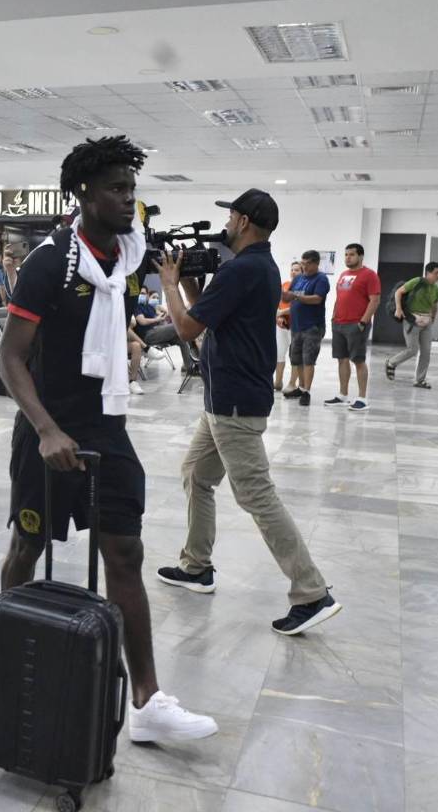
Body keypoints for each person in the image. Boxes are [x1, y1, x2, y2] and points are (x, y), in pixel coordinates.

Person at [0, 135, 218, 744]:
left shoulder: (126, 254)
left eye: (132, 189)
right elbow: (10, 359)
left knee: (125, 554)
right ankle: (5, 642)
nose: (129, 200)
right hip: (47, 428)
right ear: (83, 194)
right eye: (117, 190)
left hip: (107, 427)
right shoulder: (51, 262)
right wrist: (45, 429)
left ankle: (147, 702)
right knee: (28, 545)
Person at [156, 188, 341, 636]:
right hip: (225, 398)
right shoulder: (258, 266)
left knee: (256, 494)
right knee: (196, 475)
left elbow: (185, 326)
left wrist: (167, 284)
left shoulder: (242, 269)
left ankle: (311, 591)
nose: (228, 222)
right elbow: (208, 315)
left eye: (232, 215)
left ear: (242, 221)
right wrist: (189, 283)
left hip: (234, 403)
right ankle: (196, 566)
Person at [324, 243, 380, 412]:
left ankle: (362, 398)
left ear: (360, 256)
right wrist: (334, 317)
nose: (348, 257)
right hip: (339, 323)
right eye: (346, 254)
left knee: (358, 360)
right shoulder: (344, 274)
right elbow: (340, 298)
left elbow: (374, 300)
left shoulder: (369, 275)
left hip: (356, 324)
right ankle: (343, 395)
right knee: (342, 359)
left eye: (352, 254)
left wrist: (363, 322)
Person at [282, 250, 330, 407]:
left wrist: (295, 296)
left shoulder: (321, 279)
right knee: (296, 359)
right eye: (302, 263)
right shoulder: (298, 279)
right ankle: (301, 387)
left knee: (308, 360)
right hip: (296, 326)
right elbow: (288, 296)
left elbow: (317, 299)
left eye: (306, 264)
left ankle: (307, 392)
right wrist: (281, 293)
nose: (303, 267)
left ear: (316, 263)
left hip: (312, 326)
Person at [386, 262, 438, 388]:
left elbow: (434, 305)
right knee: (413, 350)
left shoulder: (436, 290)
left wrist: (433, 317)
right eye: (436, 273)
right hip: (412, 320)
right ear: (428, 273)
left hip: (426, 322)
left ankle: (420, 380)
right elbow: (399, 292)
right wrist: (399, 309)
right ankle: (391, 362)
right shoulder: (417, 281)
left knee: (426, 352)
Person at [274, 261, 301, 391]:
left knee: (295, 356)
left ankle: (292, 383)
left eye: (297, 270)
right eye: (292, 269)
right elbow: (277, 303)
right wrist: (278, 316)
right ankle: (277, 382)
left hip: (297, 326)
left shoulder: (303, 287)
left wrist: (282, 312)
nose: (293, 272)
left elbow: (298, 307)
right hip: (281, 326)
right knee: (279, 353)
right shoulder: (284, 285)